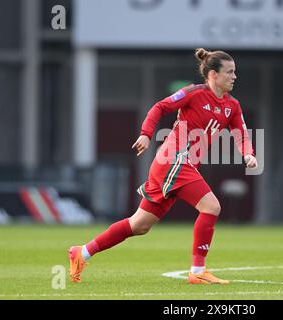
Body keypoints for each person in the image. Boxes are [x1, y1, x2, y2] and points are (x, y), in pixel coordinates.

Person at [68, 48, 258, 285]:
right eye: (229, 72)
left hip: (178, 165)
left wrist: (248, 154)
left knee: (139, 225)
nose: (234, 76)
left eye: (235, 72)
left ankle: (82, 252)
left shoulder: (232, 105)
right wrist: (146, 134)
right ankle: (197, 271)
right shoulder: (193, 93)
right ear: (212, 74)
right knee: (212, 207)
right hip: (173, 161)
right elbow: (160, 107)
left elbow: (241, 132)